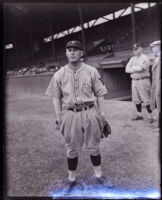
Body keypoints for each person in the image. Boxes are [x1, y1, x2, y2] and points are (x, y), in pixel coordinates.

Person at [45, 40, 108, 191]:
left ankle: (98, 176)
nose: (72, 52)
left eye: (75, 49)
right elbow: (55, 97)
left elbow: (100, 95)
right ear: (66, 53)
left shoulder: (92, 71)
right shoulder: (59, 74)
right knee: (72, 149)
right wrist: (59, 117)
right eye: (69, 50)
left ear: (82, 53)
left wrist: (101, 115)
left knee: (94, 147)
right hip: (70, 113)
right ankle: (71, 179)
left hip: (90, 111)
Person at [125, 43, 153, 123]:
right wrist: (134, 68)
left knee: (146, 99)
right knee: (136, 99)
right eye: (134, 49)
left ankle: (150, 116)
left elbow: (141, 68)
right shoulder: (132, 58)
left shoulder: (145, 58)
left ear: (141, 49)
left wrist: (132, 68)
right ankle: (139, 114)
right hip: (134, 80)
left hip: (143, 80)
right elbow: (126, 69)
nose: (135, 51)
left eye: (136, 49)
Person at [150, 40, 161, 132]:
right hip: (156, 84)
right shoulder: (156, 58)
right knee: (159, 105)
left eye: (153, 47)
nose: (152, 49)